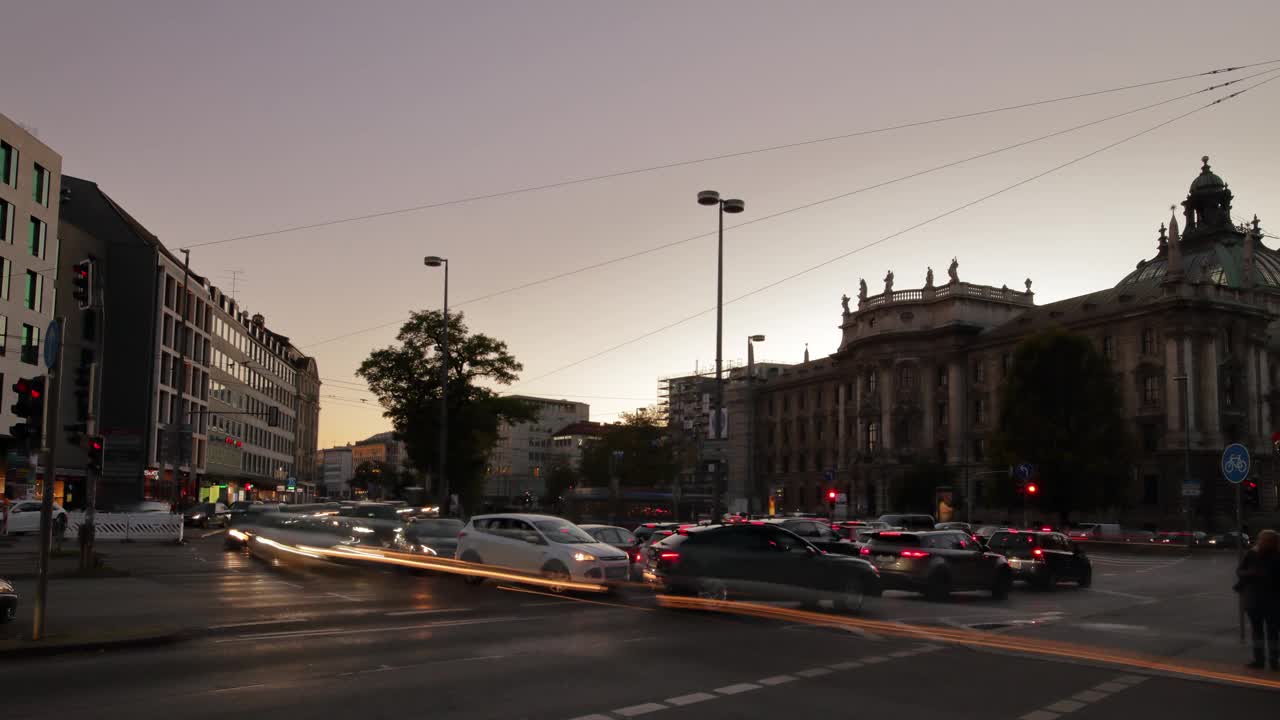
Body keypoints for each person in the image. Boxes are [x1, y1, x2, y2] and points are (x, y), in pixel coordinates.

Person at [1236, 528, 1280, 670]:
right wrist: (1253, 573)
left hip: (1268, 598)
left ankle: (1269, 661)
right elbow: (1240, 571)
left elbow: (1241, 571)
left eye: (1263, 539)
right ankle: (1263, 660)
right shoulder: (1252, 554)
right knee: (1262, 631)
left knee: (1268, 632)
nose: (1261, 541)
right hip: (1257, 598)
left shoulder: (1276, 556)